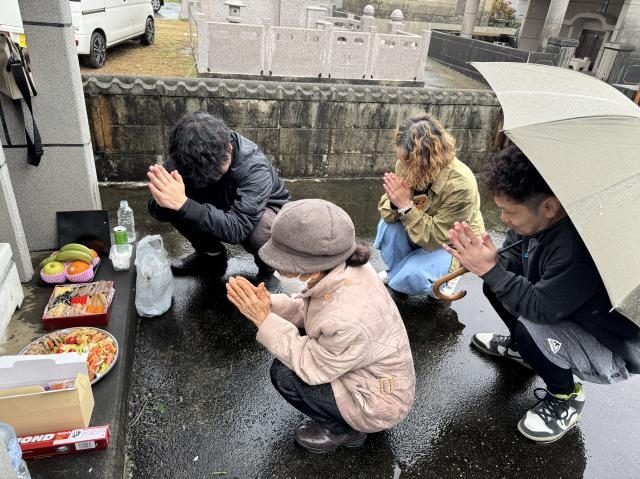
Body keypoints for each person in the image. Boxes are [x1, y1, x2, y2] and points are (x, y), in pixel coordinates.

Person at [444, 145, 640, 443]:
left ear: (549, 207)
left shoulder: (577, 247)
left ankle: (566, 397)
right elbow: (511, 264)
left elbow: (540, 309)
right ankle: (527, 352)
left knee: (530, 326)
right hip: (566, 307)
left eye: (510, 212)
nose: (504, 219)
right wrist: (491, 262)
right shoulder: (536, 223)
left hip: (610, 343)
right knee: (496, 287)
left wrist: (490, 270)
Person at [226, 199, 415, 453]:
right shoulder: (342, 268)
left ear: (311, 265)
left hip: (377, 402)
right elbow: (308, 309)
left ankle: (346, 431)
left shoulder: (346, 315)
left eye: (284, 261)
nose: (279, 267)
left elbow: (310, 366)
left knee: (285, 374)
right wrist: (268, 303)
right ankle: (344, 418)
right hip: (369, 372)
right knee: (295, 346)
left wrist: (263, 320)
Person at [147, 112, 290, 286]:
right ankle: (211, 255)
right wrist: (164, 199)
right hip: (219, 203)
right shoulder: (186, 155)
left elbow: (238, 230)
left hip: (260, 211)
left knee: (260, 230)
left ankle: (268, 271)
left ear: (229, 147)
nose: (211, 177)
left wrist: (184, 204)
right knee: (176, 202)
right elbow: (158, 213)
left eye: (216, 172)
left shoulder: (254, 167)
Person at [374, 113, 484, 298]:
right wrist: (395, 203)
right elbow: (387, 212)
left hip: (451, 243)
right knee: (388, 226)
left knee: (412, 276)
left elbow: (437, 237)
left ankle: (445, 276)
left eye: (407, 161)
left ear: (425, 159)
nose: (402, 165)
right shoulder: (405, 165)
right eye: (400, 158)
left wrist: (406, 206)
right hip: (419, 227)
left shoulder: (460, 185)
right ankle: (399, 271)